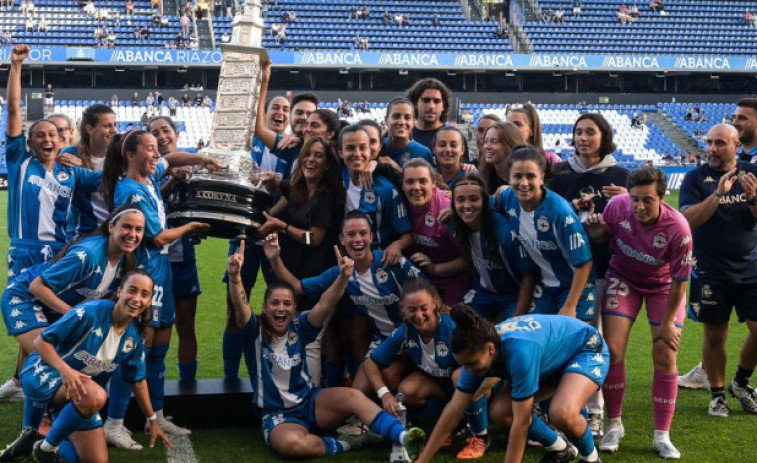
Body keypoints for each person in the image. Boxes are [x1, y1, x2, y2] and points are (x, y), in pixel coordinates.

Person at [228, 240, 427, 459]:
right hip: (279, 415)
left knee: (353, 396)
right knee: (294, 446)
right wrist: (236, 277)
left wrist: (343, 277)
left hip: (311, 402)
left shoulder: (299, 327)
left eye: (287, 304)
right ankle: (345, 443)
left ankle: (404, 437)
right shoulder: (253, 332)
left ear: (294, 308)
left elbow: (324, 303)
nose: (280, 309)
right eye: (274, 303)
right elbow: (240, 307)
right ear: (265, 307)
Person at [100, 130, 220, 447]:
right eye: (150, 149)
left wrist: (202, 158)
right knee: (136, 348)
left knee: (160, 347)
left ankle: (157, 413)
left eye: (157, 149)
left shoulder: (149, 178)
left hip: (161, 271)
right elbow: (157, 238)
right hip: (144, 272)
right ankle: (114, 423)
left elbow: (172, 158)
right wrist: (192, 226)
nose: (157, 154)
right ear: (130, 155)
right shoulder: (131, 191)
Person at [2, 270, 174, 463]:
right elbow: (41, 342)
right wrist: (65, 371)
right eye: (132, 291)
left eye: (144, 294)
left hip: (77, 396)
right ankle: (45, 449)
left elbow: (138, 381)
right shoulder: (90, 312)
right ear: (119, 292)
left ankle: (38, 441)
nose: (136, 299)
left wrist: (153, 420)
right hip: (42, 374)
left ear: (150, 301)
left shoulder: (133, 337)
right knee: (97, 395)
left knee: (95, 460)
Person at [585, 167, 693, 458]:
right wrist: (595, 229)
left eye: (647, 200)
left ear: (662, 197)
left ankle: (662, 435)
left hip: (663, 287)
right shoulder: (617, 206)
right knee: (614, 349)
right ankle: (614, 425)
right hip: (623, 279)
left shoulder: (679, 228)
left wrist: (669, 322)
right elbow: (602, 234)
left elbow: (681, 281)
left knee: (665, 352)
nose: (639, 206)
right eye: (635, 199)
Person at [414, 305, 609, 463]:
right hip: (551, 361)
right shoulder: (478, 350)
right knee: (501, 411)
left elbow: (521, 423)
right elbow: (454, 409)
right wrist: (422, 460)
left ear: (490, 349)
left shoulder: (519, 352)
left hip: (585, 348)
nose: (468, 370)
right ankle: (560, 449)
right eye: (464, 365)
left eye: (472, 364)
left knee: (562, 412)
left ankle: (590, 458)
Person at [266, 211, 422, 382]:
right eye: (351, 234)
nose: (357, 239)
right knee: (361, 387)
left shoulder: (391, 262)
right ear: (341, 239)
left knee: (390, 378)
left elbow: (427, 290)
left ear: (371, 237)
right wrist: (274, 259)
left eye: (363, 233)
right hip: (383, 340)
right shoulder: (341, 273)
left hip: (415, 334)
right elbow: (297, 287)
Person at [549, 112, 629, 434]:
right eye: (578, 132)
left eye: (590, 133)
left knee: (594, 342)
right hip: (565, 272)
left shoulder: (621, 174)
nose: (583, 138)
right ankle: (564, 405)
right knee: (565, 342)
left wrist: (625, 201)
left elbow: (637, 221)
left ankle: (594, 411)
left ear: (604, 136)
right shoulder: (561, 176)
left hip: (604, 271)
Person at [358, 277, 492, 459]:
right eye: (412, 309)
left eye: (423, 308)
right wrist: (385, 395)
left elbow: (482, 366)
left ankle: (481, 436)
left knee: (460, 376)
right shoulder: (405, 332)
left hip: (480, 386)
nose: (419, 315)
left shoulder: (452, 328)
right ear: (403, 310)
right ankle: (454, 425)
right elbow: (369, 363)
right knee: (406, 391)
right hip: (443, 389)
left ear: (434, 303)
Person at [677, 124, 757, 418]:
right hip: (709, 269)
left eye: (720, 143)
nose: (711, 148)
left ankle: (741, 382)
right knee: (715, 334)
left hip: (751, 266)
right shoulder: (695, 178)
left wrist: (751, 199)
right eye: (709, 142)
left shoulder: (752, 173)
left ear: (737, 146)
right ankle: (718, 395)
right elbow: (688, 221)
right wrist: (718, 195)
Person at [221, 94, 293, 381]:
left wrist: (269, 220)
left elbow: (295, 191)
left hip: (277, 237)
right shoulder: (246, 145)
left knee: (281, 309)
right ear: (264, 114)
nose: (280, 112)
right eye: (275, 107)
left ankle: (277, 374)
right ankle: (228, 380)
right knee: (234, 309)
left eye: (285, 109)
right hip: (243, 236)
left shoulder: (293, 148)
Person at [495, 146, 596, 320]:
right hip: (544, 286)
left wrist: (570, 306)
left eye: (531, 176)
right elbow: (479, 205)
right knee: (533, 337)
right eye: (517, 176)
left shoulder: (560, 213)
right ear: (508, 177)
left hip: (573, 286)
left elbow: (584, 262)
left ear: (541, 177)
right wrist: (452, 208)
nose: (524, 183)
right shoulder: (507, 198)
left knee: (570, 343)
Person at [148, 116, 205, 382]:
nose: (161, 136)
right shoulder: (146, 170)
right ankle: (145, 389)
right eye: (155, 132)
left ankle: (188, 387)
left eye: (166, 130)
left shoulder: (194, 168)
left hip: (183, 261)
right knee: (148, 328)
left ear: (176, 133)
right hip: (151, 264)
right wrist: (171, 180)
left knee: (186, 327)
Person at [450, 173, 536, 321]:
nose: (467, 205)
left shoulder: (504, 235)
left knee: (513, 335)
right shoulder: (456, 226)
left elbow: (529, 275)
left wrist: (518, 316)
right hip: (484, 291)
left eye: (474, 199)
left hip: (514, 292)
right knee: (458, 324)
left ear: (485, 201)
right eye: (460, 200)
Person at [401, 159, 470, 306]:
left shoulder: (446, 211)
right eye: (410, 181)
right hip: (420, 276)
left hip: (454, 277)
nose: (416, 187)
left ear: (433, 183)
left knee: (449, 321)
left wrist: (435, 268)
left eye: (422, 181)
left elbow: (470, 260)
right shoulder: (401, 202)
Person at [61, 104, 118, 241]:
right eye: (107, 126)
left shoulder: (121, 155)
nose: (113, 130)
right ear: (90, 129)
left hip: (116, 235)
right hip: (82, 236)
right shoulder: (71, 154)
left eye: (115, 125)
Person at [381, 97, 435, 175]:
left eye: (407, 117)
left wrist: (398, 170)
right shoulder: (377, 146)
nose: (402, 122)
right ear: (386, 120)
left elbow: (428, 184)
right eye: (396, 116)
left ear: (413, 122)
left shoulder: (422, 153)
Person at [478, 121, 525, 195]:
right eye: (486, 141)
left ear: (510, 144)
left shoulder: (525, 175)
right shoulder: (483, 175)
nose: (487, 146)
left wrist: (510, 190)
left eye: (494, 141)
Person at [406, 78, 452, 152]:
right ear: (415, 103)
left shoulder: (454, 138)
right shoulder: (404, 135)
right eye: (426, 100)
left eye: (436, 101)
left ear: (443, 106)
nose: (431, 106)